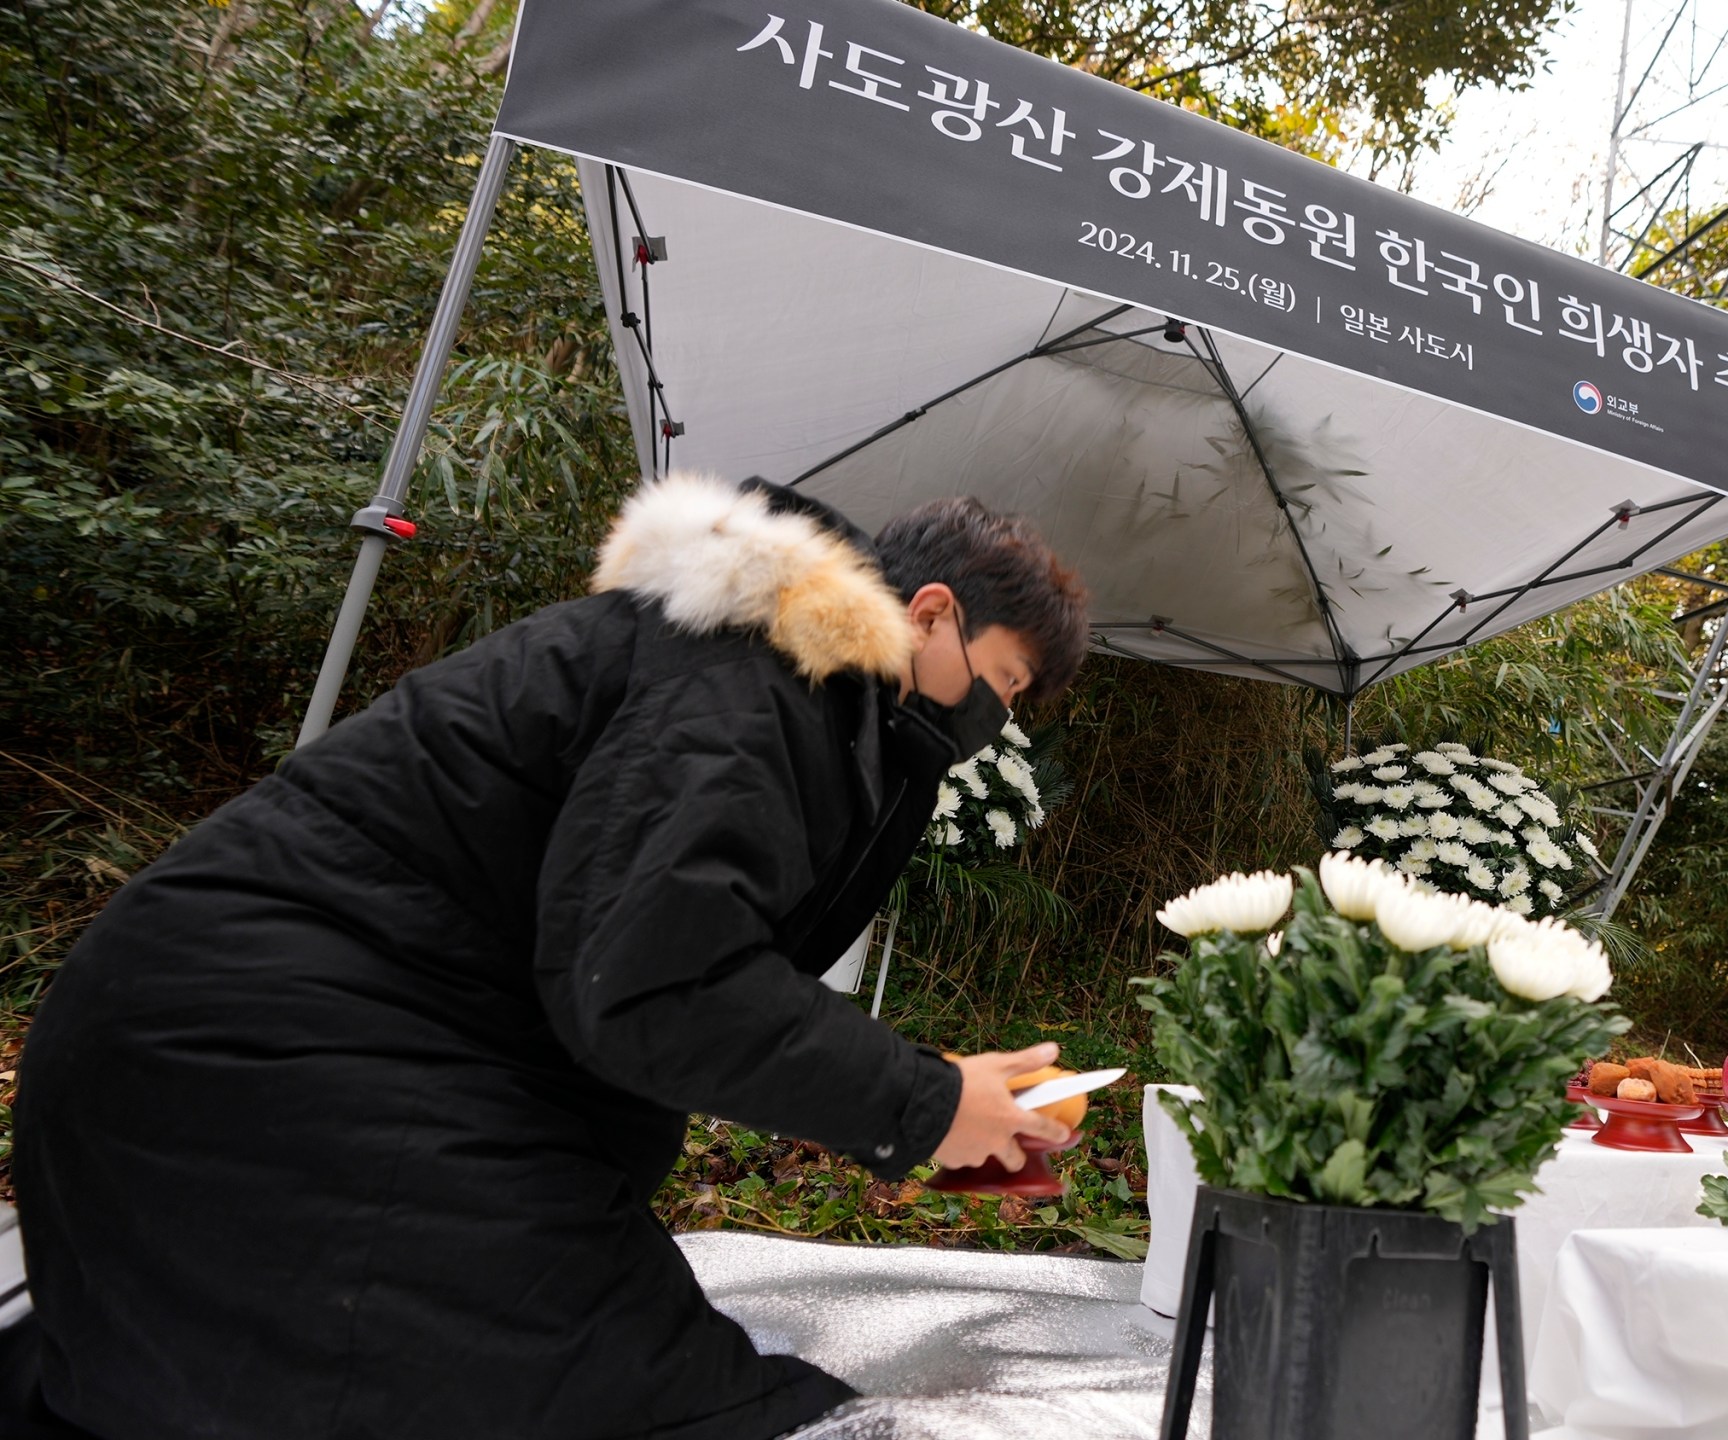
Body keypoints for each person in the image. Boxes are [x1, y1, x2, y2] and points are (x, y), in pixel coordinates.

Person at [3, 474, 1088, 1438]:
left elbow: (649, 969)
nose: (1003, 715)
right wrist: (921, 1102)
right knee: (634, 1389)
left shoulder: (783, 688)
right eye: (1011, 678)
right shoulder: (747, 681)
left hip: (261, 1049)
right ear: (933, 612)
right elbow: (657, 980)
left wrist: (927, 1118)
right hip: (260, 1059)